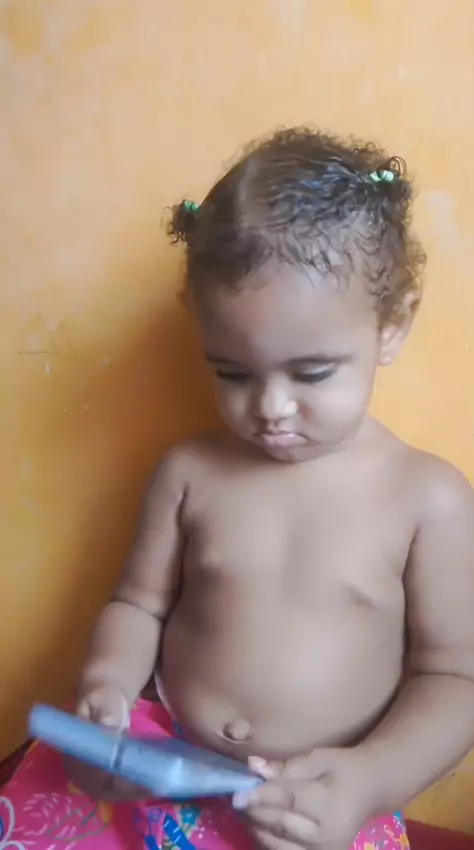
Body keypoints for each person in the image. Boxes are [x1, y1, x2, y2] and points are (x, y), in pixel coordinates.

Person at [3, 127, 474, 850]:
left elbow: (456, 678)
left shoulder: (427, 499)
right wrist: (108, 691)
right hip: (161, 772)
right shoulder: (189, 472)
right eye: (232, 372)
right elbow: (138, 605)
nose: (271, 408)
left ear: (392, 327)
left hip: (318, 805)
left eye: (312, 372)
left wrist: (369, 781)